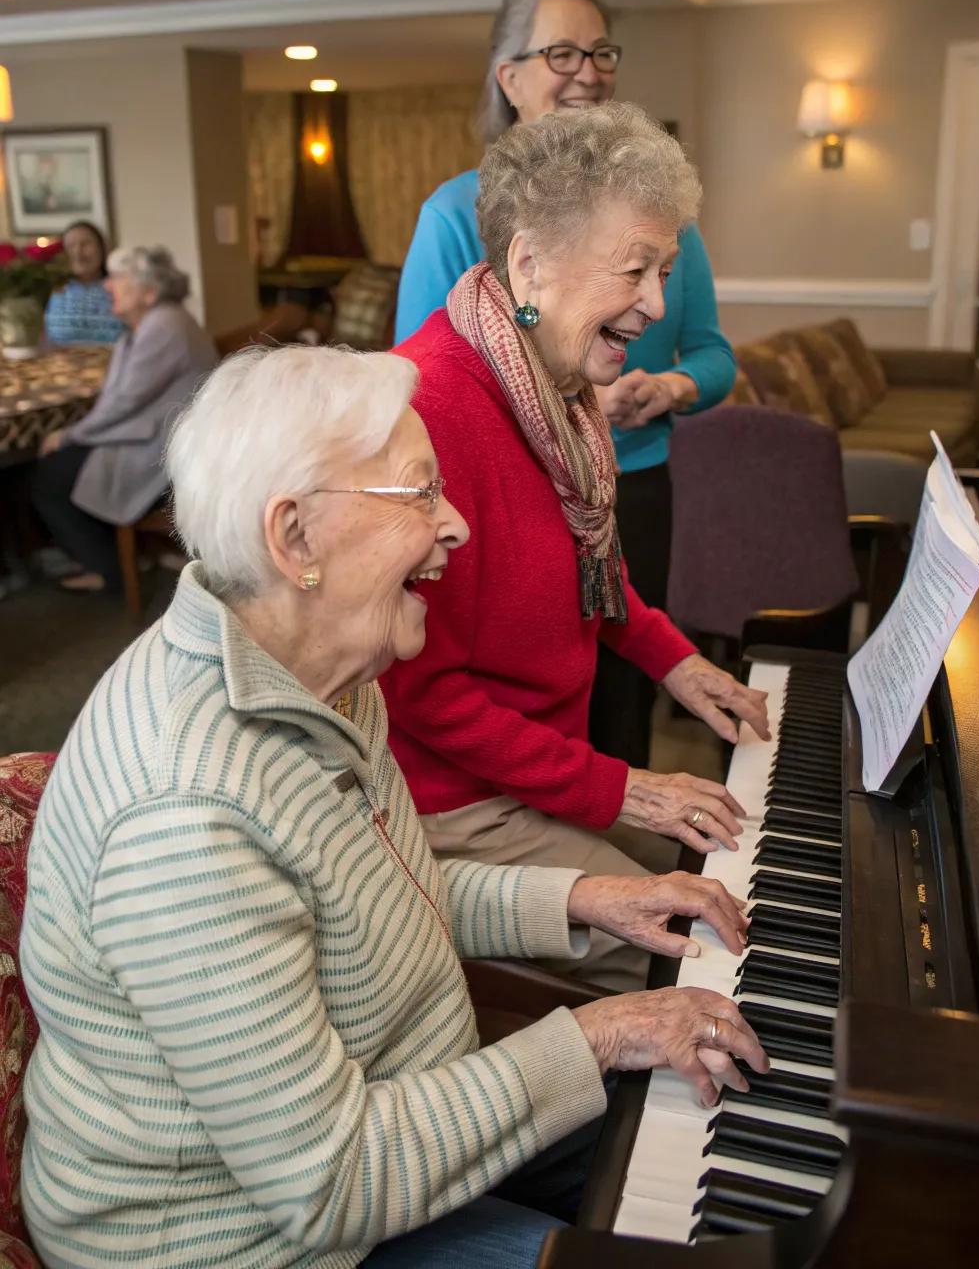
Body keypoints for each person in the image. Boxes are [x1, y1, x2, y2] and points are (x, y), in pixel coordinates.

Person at [20, 343, 769, 1269]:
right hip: (245, 1242)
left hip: (387, 1120)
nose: (455, 524)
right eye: (419, 494)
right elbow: (328, 1186)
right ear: (294, 539)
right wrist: (599, 1032)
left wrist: (582, 898)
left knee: (720, 1130)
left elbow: (375, 894)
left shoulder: (322, 666)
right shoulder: (187, 818)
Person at [382, 104, 769, 994]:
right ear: (530, 264)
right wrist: (622, 788)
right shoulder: (429, 410)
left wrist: (675, 663)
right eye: (635, 269)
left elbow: (586, 571)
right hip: (452, 801)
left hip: (534, 764)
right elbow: (420, 691)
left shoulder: (555, 379)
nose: (659, 304)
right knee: (694, 948)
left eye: (665, 271)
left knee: (725, 858)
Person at [395, 0, 736, 769]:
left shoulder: (650, 228)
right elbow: (419, 398)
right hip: (505, 498)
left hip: (628, 480)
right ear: (509, 79)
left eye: (601, 51)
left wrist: (674, 387)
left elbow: (715, 354)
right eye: (561, 54)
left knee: (613, 698)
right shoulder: (455, 220)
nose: (588, 70)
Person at [30, 244, 217, 592]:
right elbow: (121, 401)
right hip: (161, 437)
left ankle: (110, 571)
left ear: (148, 292)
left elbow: (122, 403)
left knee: (49, 477)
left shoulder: (164, 325)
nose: (107, 285)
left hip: (164, 453)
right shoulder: (156, 321)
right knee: (58, 467)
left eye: (118, 279)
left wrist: (69, 435)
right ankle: (111, 557)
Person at [42, 219, 122, 344]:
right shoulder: (49, 289)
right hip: (58, 362)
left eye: (86, 244)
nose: (78, 252)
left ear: (102, 249)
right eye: (71, 246)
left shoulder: (122, 287)